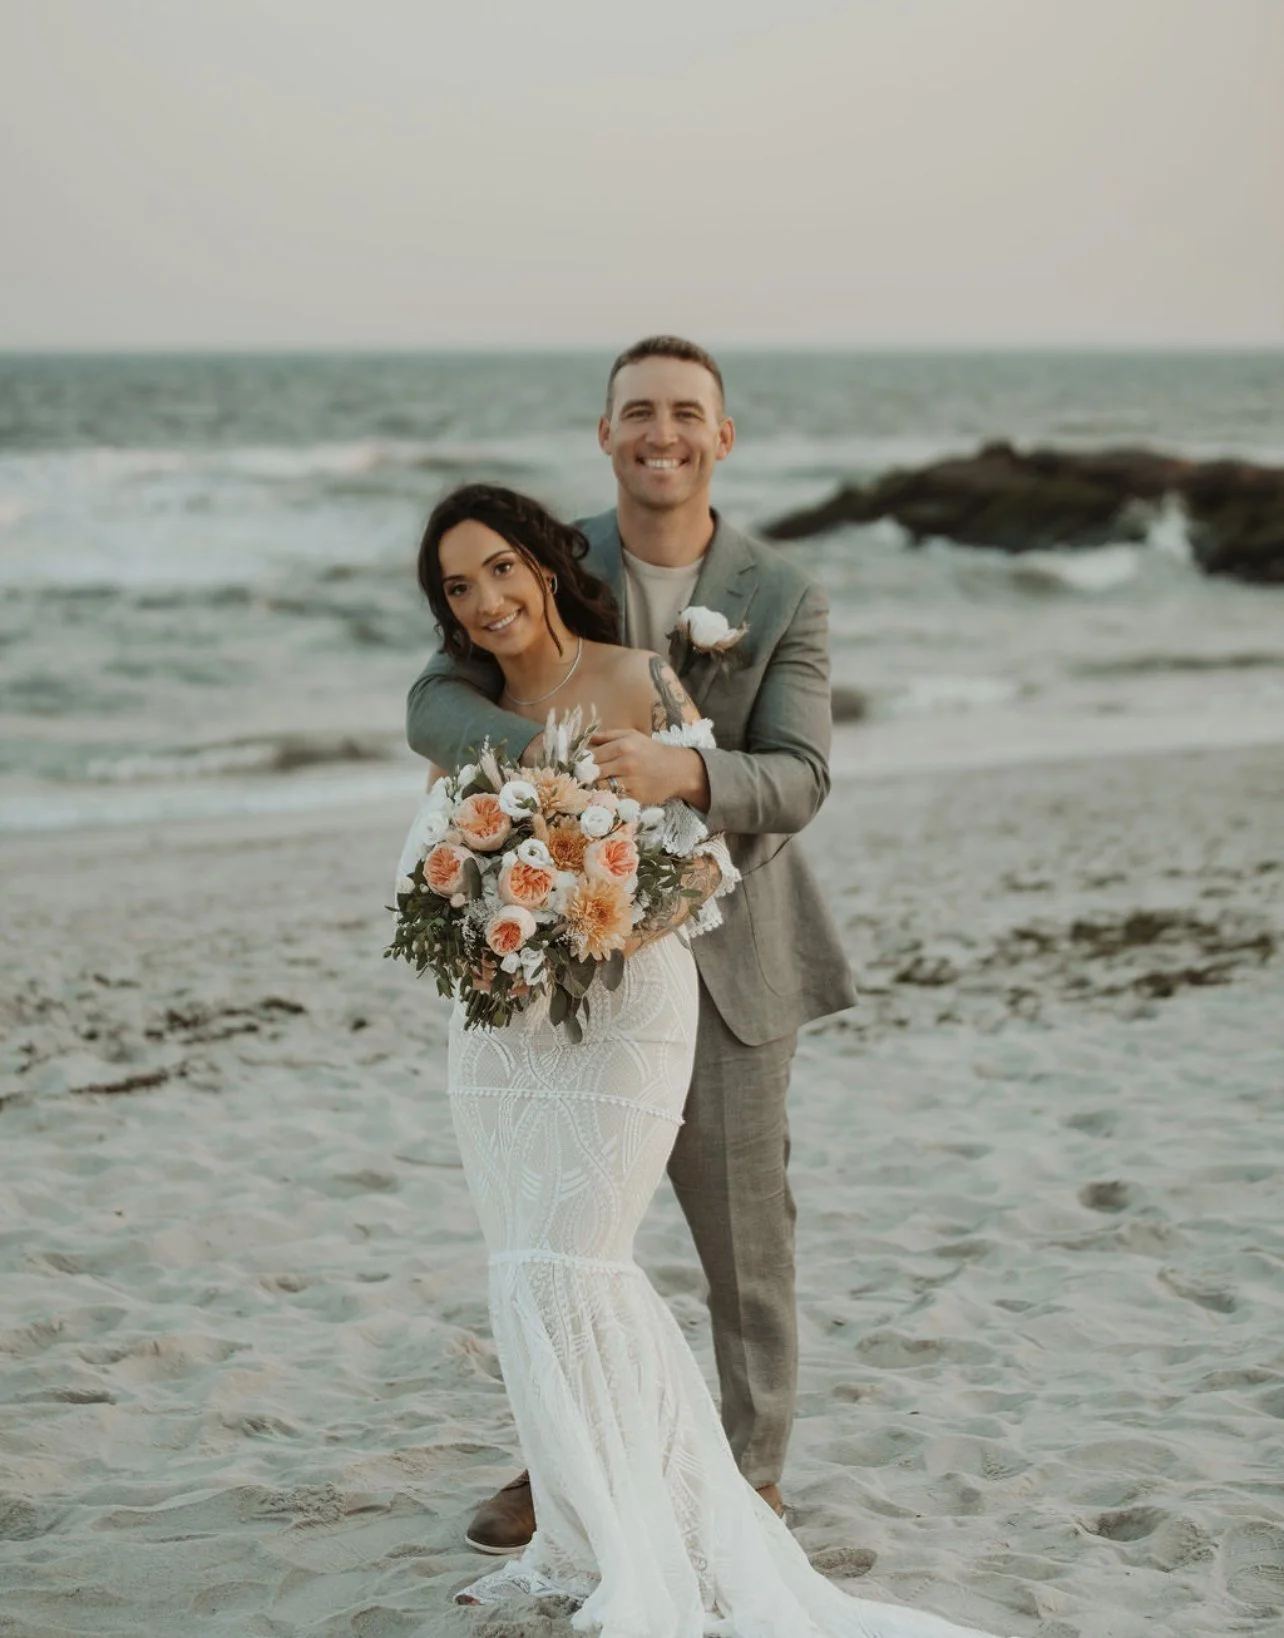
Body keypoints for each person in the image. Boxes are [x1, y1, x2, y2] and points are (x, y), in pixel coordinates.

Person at [408, 480, 1007, 1638]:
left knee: (626, 1254)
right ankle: (574, 1505)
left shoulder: (699, 640)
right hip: (509, 1024)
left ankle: (728, 1486)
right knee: (528, 1260)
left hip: (646, 990)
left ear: (542, 564)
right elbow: (431, 765)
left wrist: (603, 892)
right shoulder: (463, 690)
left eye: (498, 572)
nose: (483, 598)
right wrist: (504, 886)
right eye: (456, 585)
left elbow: (722, 845)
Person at [408, 338, 856, 1551]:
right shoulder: (537, 558)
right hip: (572, 960)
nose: (663, 433)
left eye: (687, 415)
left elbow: (803, 774)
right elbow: (430, 700)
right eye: (638, 414)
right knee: (566, 1227)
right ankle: (556, 1466)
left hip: (731, 960)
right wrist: (544, 770)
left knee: (743, 1243)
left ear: (723, 439)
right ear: (603, 435)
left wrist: (682, 769)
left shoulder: (782, 593)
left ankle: (752, 1473)